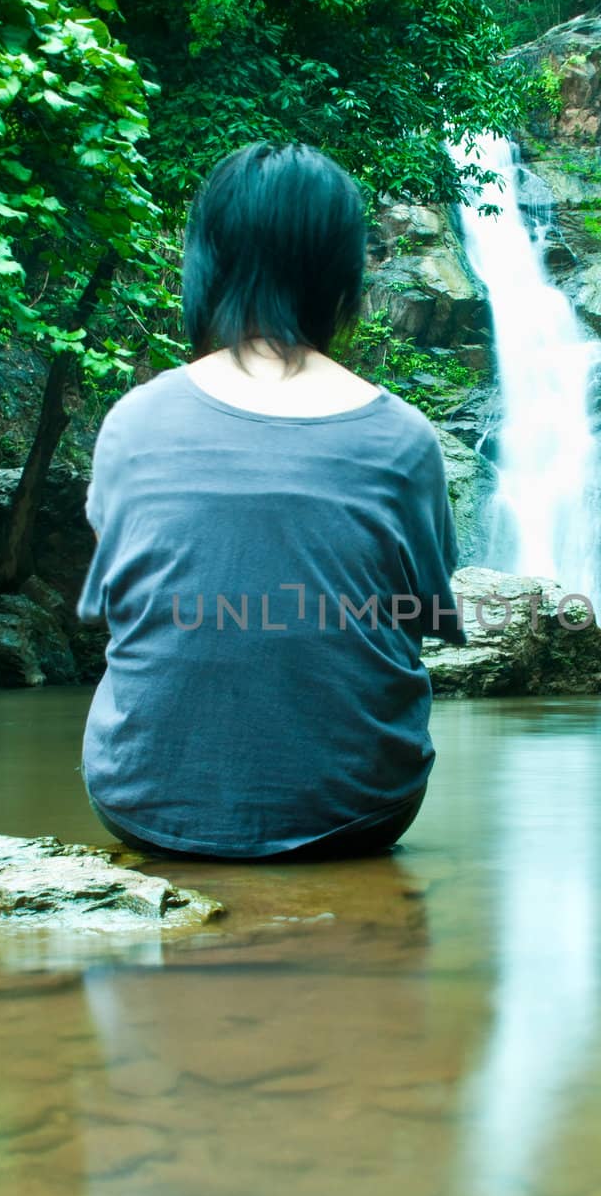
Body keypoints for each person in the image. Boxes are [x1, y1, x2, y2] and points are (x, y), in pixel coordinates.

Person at [76, 139, 466, 861]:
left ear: (206, 265)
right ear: (341, 277)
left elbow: (127, 606)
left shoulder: (132, 421)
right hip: (360, 808)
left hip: (142, 801)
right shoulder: (402, 438)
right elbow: (423, 616)